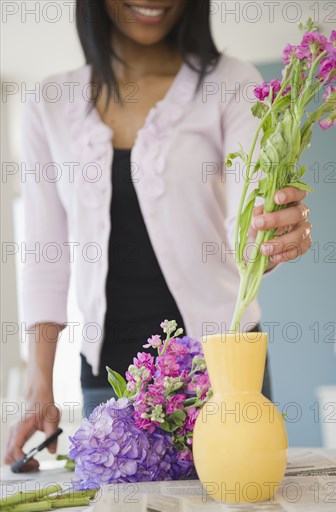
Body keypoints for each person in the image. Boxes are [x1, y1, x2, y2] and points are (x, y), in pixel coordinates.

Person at [5, 0, 312, 470]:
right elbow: (46, 254)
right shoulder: (48, 103)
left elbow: (247, 215)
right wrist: (38, 384)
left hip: (223, 366)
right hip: (107, 376)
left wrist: (270, 237)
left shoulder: (232, 83)